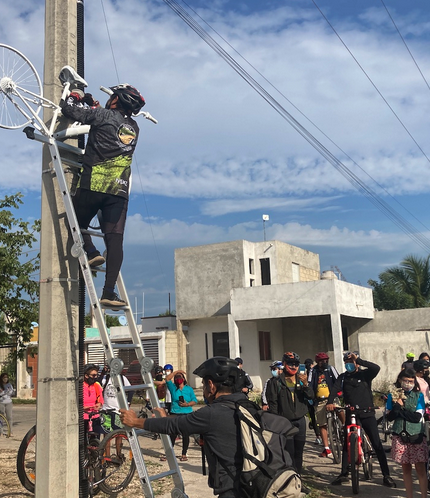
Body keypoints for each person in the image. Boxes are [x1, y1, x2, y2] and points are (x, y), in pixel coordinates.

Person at [60, 84, 146, 307]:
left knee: (76, 222)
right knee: (115, 240)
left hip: (93, 185)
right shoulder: (134, 127)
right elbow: (108, 121)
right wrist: (94, 104)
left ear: (116, 100)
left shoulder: (102, 115)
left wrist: (75, 95)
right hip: (119, 193)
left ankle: (90, 250)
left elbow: (70, 109)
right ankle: (109, 291)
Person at [120, 357, 246, 497]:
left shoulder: (212, 413)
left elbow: (177, 425)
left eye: (204, 385)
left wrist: (135, 421)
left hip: (233, 488)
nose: (204, 390)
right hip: (253, 483)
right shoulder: (246, 406)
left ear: (211, 385)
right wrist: (167, 418)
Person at [329, 352, 395, 488]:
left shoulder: (365, 375)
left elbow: (376, 368)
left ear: (356, 363)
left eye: (351, 361)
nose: (348, 364)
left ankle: (386, 475)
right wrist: (329, 402)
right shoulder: (342, 378)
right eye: (346, 361)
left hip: (367, 413)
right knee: (347, 443)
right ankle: (344, 473)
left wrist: (358, 359)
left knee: (377, 444)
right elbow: (334, 390)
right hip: (351, 413)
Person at [265, 351, 313, 473]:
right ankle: (290, 479)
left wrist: (306, 385)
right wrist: (276, 425)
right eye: (290, 363)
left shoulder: (301, 380)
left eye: (296, 364)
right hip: (285, 422)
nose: (293, 366)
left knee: (299, 453)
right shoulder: (275, 382)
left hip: (300, 421)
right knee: (289, 453)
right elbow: (273, 405)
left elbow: (311, 397)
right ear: (285, 364)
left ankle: (298, 479)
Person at [387, 369, 428, 498]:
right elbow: (390, 416)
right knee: (406, 468)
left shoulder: (418, 396)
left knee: (420, 468)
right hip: (400, 435)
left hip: (416, 435)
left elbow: (417, 417)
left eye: (411, 381)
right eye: (406, 381)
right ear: (400, 380)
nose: (408, 384)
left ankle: (424, 496)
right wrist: (397, 406)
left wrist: (399, 412)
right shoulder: (392, 396)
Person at [309, 352, 339, 457]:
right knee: (322, 423)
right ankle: (326, 448)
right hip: (320, 401)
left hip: (333, 398)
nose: (324, 362)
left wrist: (340, 393)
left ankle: (344, 426)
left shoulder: (331, 369)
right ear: (317, 362)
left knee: (341, 410)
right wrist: (311, 397)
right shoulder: (313, 371)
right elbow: (310, 384)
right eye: (322, 361)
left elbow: (338, 381)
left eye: (326, 360)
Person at [165, 370, 198, 462]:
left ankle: (184, 453)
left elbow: (194, 400)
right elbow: (167, 379)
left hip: (186, 413)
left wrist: (187, 404)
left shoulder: (189, 389)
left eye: (180, 377)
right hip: (175, 413)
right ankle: (169, 453)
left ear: (183, 379)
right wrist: (176, 372)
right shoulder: (173, 388)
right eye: (176, 378)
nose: (178, 379)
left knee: (185, 435)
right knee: (172, 434)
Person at [83, 364, 104, 435]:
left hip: (95, 415)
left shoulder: (96, 385)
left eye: (96, 375)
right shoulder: (80, 386)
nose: (95, 378)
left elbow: (100, 399)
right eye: (93, 375)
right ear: (86, 376)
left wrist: (99, 404)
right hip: (83, 417)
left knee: (96, 437)